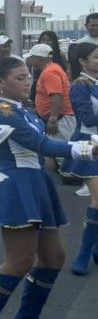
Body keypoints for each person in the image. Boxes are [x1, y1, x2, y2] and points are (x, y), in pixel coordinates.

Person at [0, 56, 94, 319]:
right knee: (20, 259)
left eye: (28, 76)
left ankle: (28, 317)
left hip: (36, 182)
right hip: (17, 185)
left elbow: (41, 148)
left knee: (53, 257)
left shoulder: (19, 109)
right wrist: (86, 149)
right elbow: (40, 145)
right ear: (0, 82)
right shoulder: (1, 111)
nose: (28, 82)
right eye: (20, 77)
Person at [63, 41, 98, 274]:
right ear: (83, 62)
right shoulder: (80, 86)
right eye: (96, 57)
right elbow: (87, 118)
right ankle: (85, 252)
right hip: (89, 146)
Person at [27, 42, 75, 175]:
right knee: (59, 148)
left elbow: (56, 95)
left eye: (32, 57)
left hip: (59, 118)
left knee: (59, 149)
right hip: (60, 117)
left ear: (39, 58)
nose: (30, 60)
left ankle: (70, 175)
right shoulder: (54, 68)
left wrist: (53, 119)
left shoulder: (49, 72)